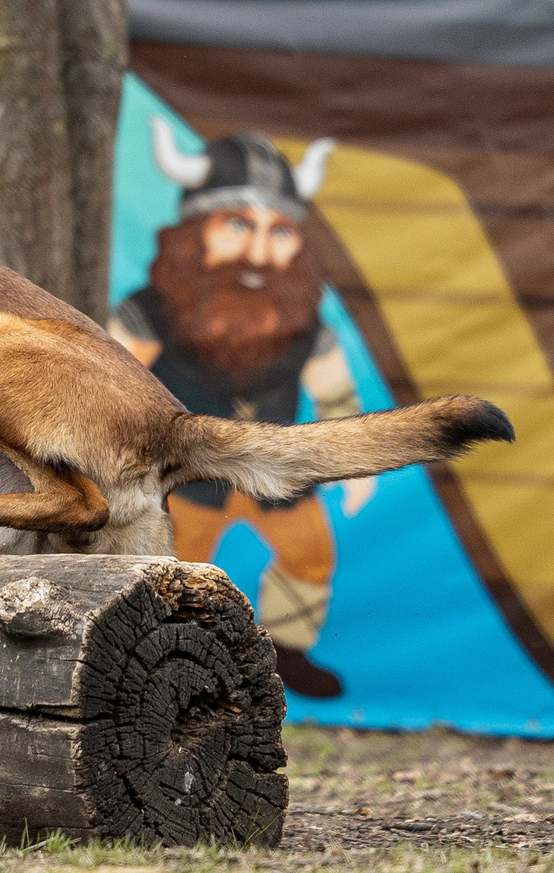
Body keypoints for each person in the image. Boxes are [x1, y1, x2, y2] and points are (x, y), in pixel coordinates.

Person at [110, 120, 370, 699]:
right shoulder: (149, 312)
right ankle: (166, 666)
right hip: (188, 474)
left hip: (276, 467)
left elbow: (336, 395)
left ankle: (284, 655)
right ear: (194, 230)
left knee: (309, 556)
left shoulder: (302, 322)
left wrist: (356, 463)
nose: (258, 252)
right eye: (236, 225)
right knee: (171, 573)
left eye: (279, 232)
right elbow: (109, 381)